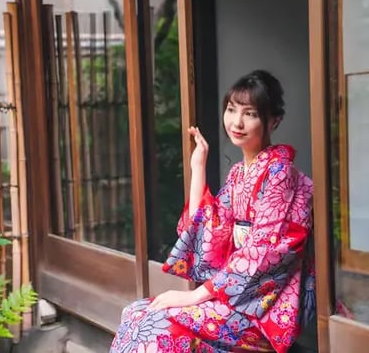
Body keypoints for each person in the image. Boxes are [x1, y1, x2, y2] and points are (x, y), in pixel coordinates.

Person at [110, 70, 315, 353]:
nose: (237, 122)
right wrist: (198, 167)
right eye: (231, 110)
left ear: (273, 121)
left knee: (158, 325)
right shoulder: (238, 175)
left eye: (251, 113)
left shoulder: (279, 173)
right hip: (233, 294)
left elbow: (263, 252)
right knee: (135, 314)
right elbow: (208, 232)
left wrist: (196, 296)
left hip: (263, 306)